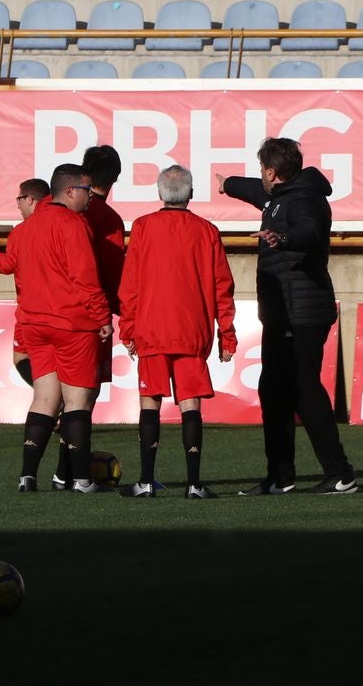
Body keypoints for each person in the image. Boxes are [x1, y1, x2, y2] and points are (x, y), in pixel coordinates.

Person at [215, 137, 357, 495]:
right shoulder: (277, 197)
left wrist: (283, 237)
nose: (259, 176)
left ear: (272, 172)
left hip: (303, 313)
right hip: (282, 314)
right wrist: (227, 185)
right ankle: (280, 476)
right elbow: (253, 190)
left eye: (262, 170)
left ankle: (339, 473)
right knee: (273, 390)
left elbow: (308, 231)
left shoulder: (304, 198)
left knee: (303, 390)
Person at [116, 165, 237, 499]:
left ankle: (145, 481)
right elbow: (221, 286)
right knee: (191, 405)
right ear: (191, 193)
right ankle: (194, 484)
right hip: (191, 330)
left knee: (149, 403)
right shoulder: (207, 231)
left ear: (159, 194)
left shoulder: (143, 227)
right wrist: (227, 334)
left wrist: (127, 328)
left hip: (152, 330)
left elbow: (130, 284)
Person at [11, 163, 113, 493]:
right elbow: (85, 277)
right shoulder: (74, 224)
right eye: (86, 191)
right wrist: (102, 317)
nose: (90, 197)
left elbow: (12, 266)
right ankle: (81, 479)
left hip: (35, 324)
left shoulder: (24, 228)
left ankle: (27, 476)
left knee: (44, 398)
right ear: (70, 191)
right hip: (71, 324)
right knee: (77, 401)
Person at [45, 145, 127, 492]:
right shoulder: (105, 218)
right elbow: (111, 274)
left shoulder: (49, 213)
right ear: (116, 178)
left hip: (44, 314)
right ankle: (71, 473)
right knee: (82, 398)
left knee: (57, 398)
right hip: (86, 317)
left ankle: (52, 473)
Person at [0, 178, 50, 386]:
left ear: (30, 199)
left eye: (20, 199)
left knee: (22, 357)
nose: (18, 204)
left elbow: (8, 265)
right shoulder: (69, 223)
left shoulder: (21, 232)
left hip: (31, 312)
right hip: (63, 310)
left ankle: (51, 398)